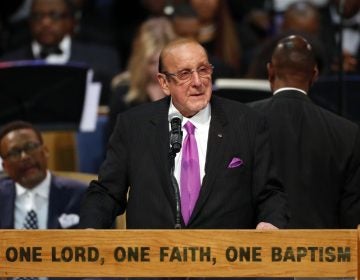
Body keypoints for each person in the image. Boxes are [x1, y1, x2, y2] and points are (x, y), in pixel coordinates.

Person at [79, 38, 289, 230]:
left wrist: (270, 222)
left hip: (223, 263)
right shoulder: (134, 125)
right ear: (164, 83)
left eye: (203, 70)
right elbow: (107, 192)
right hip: (154, 261)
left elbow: (269, 192)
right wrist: (90, 228)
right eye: (185, 74)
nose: (198, 81)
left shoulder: (247, 122)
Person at [248, 35, 360, 228]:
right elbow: (352, 218)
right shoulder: (348, 133)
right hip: (323, 254)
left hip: (256, 253)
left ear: (270, 71)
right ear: (315, 74)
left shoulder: (242, 119)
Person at [0, 0, 120, 105]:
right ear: (29, 22)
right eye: (37, 16)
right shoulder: (8, 62)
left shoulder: (104, 59)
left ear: (73, 22)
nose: (45, 23)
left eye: (55, 15)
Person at [0, 120, 87, 229]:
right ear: (5, 166)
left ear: (45, 151)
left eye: (30, 147)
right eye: (14, 153)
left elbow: (103, 241)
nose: (25, 157)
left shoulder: (82, 195)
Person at [108, 17, 177, 138]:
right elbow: (114, 147)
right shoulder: (124, 94)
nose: (158, 69)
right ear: (141, 62)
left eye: (163, 61)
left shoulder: (185, 91)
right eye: (152, 62)